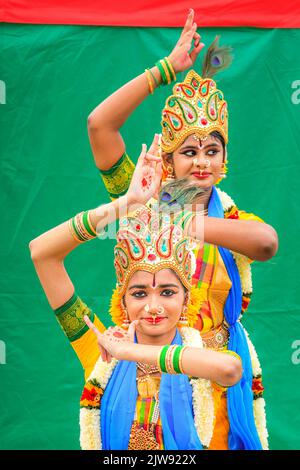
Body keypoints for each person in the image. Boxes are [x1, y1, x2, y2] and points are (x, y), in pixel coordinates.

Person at [87, 9, 278, 450]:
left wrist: (176, 220)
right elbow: (99, 125)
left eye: (213, 149)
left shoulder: (229, 219)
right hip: (151, 366)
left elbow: (267, 243)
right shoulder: (141, 201)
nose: (202, 161)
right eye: (189, 151)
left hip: (218, 371)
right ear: (168, 160)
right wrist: (166, 69)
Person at [29, 145, 242, 450]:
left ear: (186, 299)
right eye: (139, 292)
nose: (153, 306)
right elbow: (42, 254)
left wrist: (133, 353)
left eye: (167, 292)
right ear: (123, 300)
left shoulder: (200, 355)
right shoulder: (102, 351)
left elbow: (230, 370)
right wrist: (126, 204)